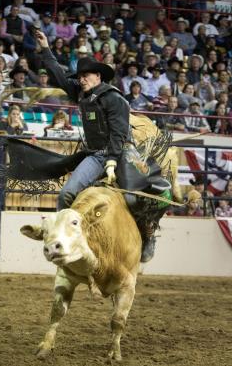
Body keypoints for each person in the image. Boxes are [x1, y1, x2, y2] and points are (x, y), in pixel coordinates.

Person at [35, 29, 159, 262]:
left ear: (98, 77)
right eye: (80, 76)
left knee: (136, 198)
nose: (81, 79)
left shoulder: (114, 99)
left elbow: (120, 133)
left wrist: (112, 160)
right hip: (95, 155)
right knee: (67, 194)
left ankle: (148, 234)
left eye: (86, 76)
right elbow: (60, 76)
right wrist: (46, 49)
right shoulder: (82, 95)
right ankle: (62, 237)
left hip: (121, 152)